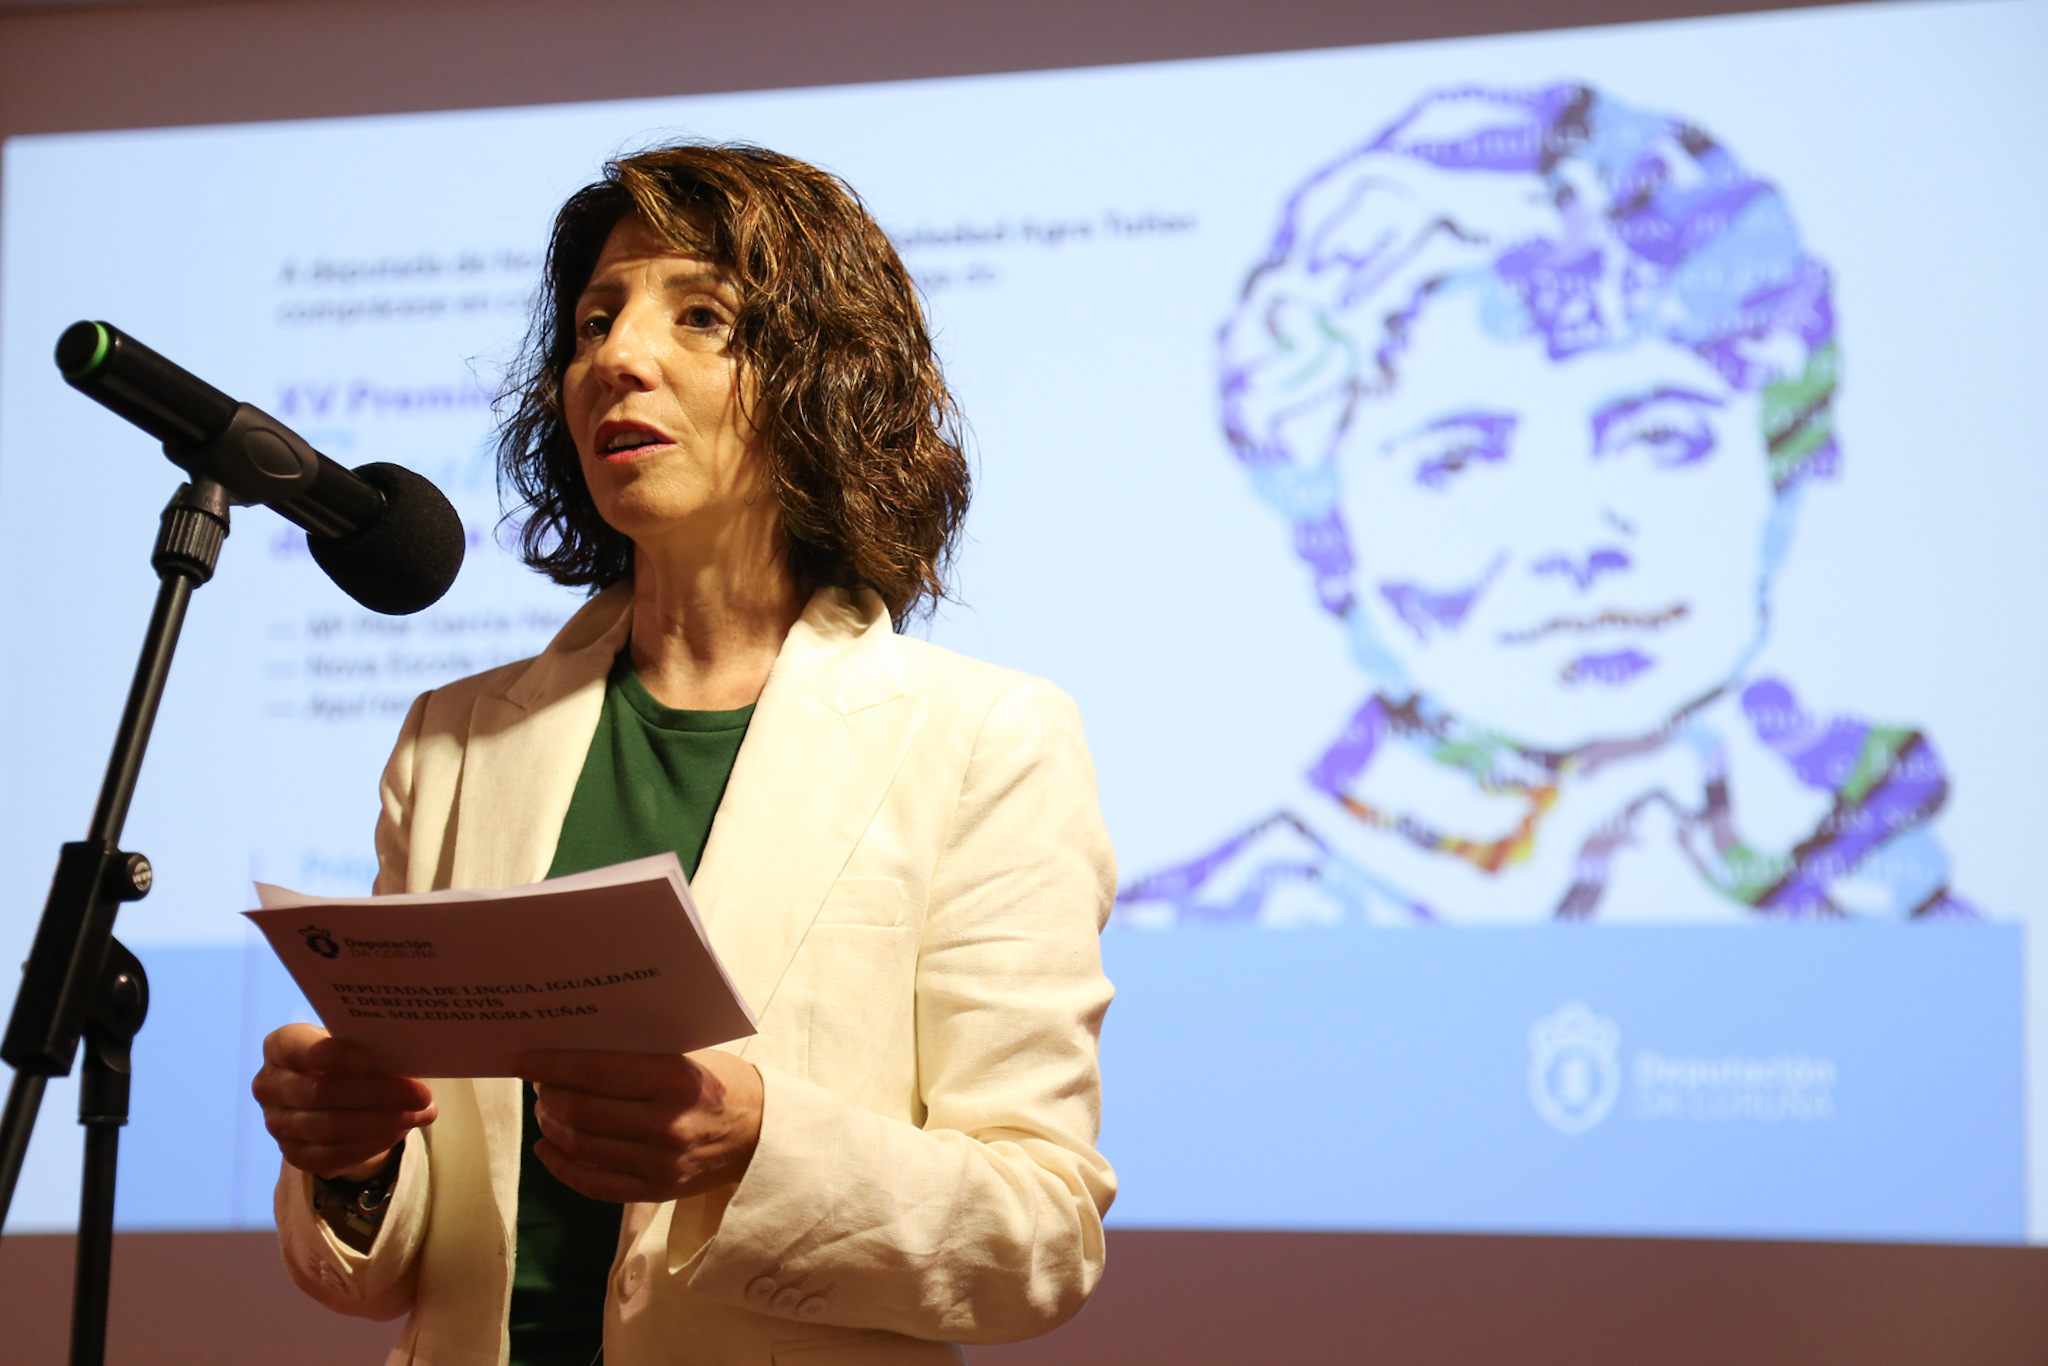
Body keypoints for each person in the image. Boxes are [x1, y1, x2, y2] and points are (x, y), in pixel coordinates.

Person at [252, 143, 1117, 1366]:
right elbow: (390, 1266)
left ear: (823, 378)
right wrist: (354, 1157)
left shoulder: (986, 738)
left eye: (699, 315)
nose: (616, 356)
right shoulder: (453, 740)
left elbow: (1039, 1236)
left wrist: (758, 1143)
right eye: (593, 321)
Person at [1117, 83, 1974, 928]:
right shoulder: (1203, 937)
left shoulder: (1887, 871)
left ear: (1780, 460)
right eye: (1458, 461)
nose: (1577, 537)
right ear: (1328, 526)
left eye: (1660, 438)